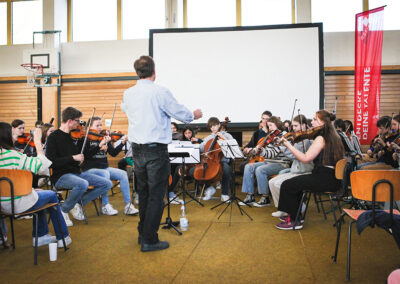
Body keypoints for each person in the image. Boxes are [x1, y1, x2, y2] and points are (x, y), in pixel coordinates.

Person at [120, 55, 202, 252]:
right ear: (154, 72)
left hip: (137, 150)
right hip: (156, 151)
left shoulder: (128, 93)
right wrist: (194, 115)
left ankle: (143, 233)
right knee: (157, 195)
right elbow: (182, 114)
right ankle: (150, 239)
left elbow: (126, 110)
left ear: (137, 73)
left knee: (145, 193)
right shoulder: (160, 92)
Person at [0, 122, 71, 248]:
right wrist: (38, 143)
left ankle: (42, 235)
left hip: (2, 206)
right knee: (51, 195)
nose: (15, 137)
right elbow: (41, 166)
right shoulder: (14, 155)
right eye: (12, 134)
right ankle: (63, 237)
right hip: (17, 204)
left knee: (38, 193)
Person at [275, 110, 344, 230]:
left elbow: (306, 158)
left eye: (315, 119)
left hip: (324, 178)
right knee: (296, 183)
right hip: (332, 178)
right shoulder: (334, 136)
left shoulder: (321, 138)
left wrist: (289, 146)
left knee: (288, 185)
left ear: (323, 123)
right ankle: (296, 215)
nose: (311, 122)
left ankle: (294, 221)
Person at [45, 107, 112, 226]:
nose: (79, 124)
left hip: (77, 173)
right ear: (70, 121)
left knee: (107, 183)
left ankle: (76, 204)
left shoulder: (74, 137)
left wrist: (99, 146)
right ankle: (64, 210)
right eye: (77, 121)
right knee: (82, 183)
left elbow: (85, 155)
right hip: (61, 176)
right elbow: (51, 162)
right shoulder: (53, 137)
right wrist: (72, 158)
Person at [81, 116, 139, 216]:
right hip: (90, 169)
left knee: (123, 174)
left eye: (100, 125)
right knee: (105, 174)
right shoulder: (85, 139)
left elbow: (113, 153)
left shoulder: (104, 137)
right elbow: (86, 155)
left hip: (104, 168)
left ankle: (128, 205)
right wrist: (99, 147)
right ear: (89, 127)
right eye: (97, 125)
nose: (100, 127)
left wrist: (122, 143)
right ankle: (105, 205)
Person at [268, 115, 314, 218]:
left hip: (304, 171)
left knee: (280, 184)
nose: (293, 128)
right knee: (271, 182)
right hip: (296, 170)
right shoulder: (298, 138)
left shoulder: (305, 139)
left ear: (304, 125)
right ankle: (282, 208)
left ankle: (293, 207)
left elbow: (294, 156)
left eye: (296, 125)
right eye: (293, 126)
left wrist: (284, 146)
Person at [239, 116, 286, 207]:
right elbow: (259, 149)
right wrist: (251, 150)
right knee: (248, 166)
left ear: (278, 125)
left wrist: (262, 151)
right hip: (268, 162)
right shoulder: (270, 136)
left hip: (280, 163)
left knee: (260, 169)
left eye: (271, 125)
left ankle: (265, 197)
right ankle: (250, 196)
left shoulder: (281, 136)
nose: (270, 128)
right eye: (268, 126)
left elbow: (272, 154)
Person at [192, 117, 233, 202]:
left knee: (227, 169)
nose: (213, 128)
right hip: (210, 161)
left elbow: (232, 146)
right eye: (211, 127)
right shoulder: (209, 137)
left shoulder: (227, 135)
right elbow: (201, 147)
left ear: (219, 125)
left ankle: (224, 194)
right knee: (194, 171)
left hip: (222, 161)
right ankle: (209, 188)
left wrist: (223, 138)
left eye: (214, 125)